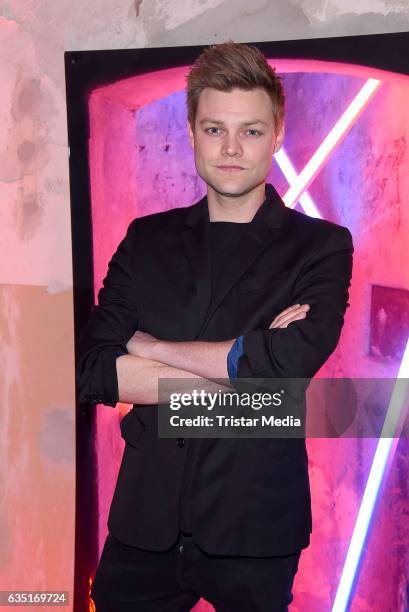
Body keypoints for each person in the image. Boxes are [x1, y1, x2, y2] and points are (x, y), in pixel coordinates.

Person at [76, 40, 353, 611]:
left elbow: (290, 366)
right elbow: (91, 369)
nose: (231, 148)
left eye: (251, 131)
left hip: (254, 529)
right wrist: (246, 379)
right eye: (214, 129)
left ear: (277, 134)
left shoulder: (320, 247)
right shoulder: (145, 239)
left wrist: (150, 348)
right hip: (143, 525)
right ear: (194, 132)